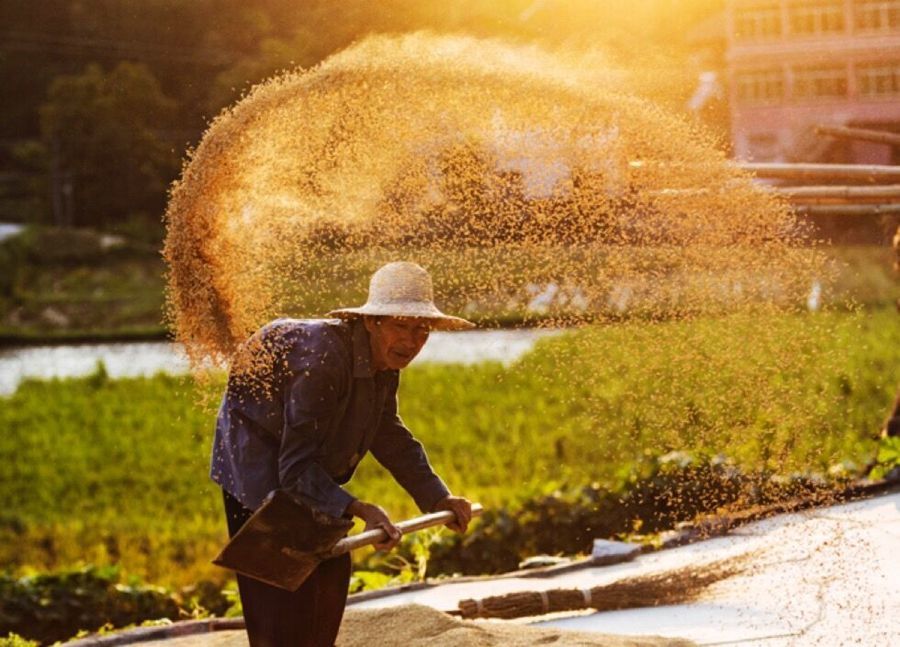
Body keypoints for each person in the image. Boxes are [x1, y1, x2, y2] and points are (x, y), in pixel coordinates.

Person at [210, 261, 475, 646]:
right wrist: (359, 508)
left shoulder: (384, 361)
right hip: (259, 465)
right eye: (401, 326)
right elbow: (294, 467)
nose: (412, 340)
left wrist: (436, 495)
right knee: (284, 599)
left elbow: (388, 433)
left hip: (309, 470)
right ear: (372, 322)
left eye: (422, 329)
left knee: (329, 576)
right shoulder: (323, 359)